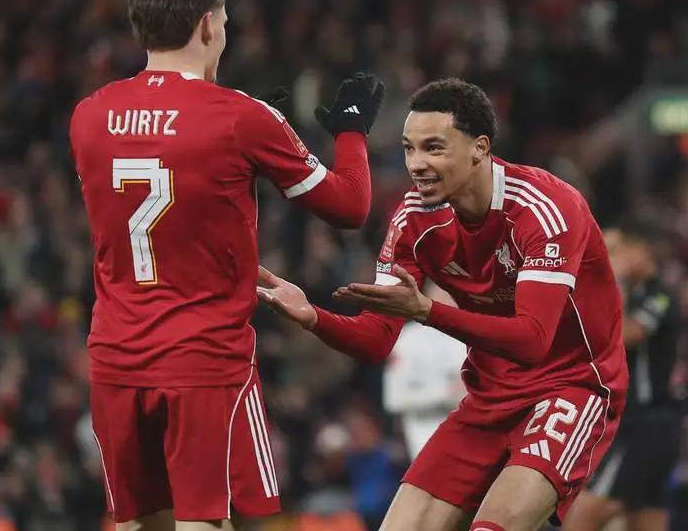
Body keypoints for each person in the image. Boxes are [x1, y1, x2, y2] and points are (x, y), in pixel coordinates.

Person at [68, 0, 384, 531]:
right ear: (208, 24)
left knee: (138, 524)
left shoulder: (88, 115)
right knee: (204, 521)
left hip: (115, 357)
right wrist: (350, 131)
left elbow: (171, 158)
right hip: (204, 358)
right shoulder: (240, 117)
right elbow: (350, 206)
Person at [257, 78, 628, 531]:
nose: (417, 164)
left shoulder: (545, 208)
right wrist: (314, 317)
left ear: (479, 148)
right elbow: (376, 340)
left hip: (571, 386)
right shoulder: (413, 220)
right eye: (409, 149)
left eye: (433, 148)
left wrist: (427, 312)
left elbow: (532, 340)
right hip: (489, 397)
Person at [563, 227, 681, 531]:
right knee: (646, 520)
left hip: (645, 424)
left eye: (616, 250)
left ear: (640, 250)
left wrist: (612, 279)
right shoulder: (636, 295)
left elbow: (626, 334)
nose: (611, 258)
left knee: (583, 514)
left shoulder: (658, 296)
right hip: (645, 424)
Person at [383, 284, 467, 458]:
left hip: (472, 433)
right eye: (442, 294)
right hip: (425, 437)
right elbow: (394, 399)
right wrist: (445, 393)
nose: (447, 300)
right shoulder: (407, 339)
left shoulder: (473, 335)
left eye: (452, 295)